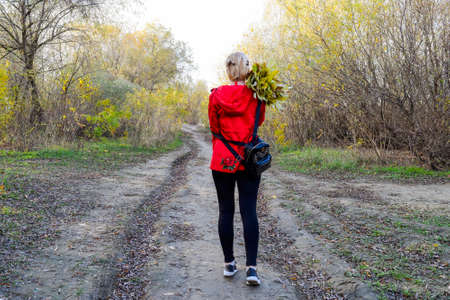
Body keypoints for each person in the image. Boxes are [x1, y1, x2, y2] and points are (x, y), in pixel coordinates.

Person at [208, 52, 266, 286]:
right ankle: (251, 269)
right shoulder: (258, 95)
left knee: (225, 211)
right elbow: (258, 122)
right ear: (247, 69)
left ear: (229, 70)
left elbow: (214, 127)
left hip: (222, 159)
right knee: (249, 211)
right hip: (248, 159)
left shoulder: (216, 95)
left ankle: (229, 264)